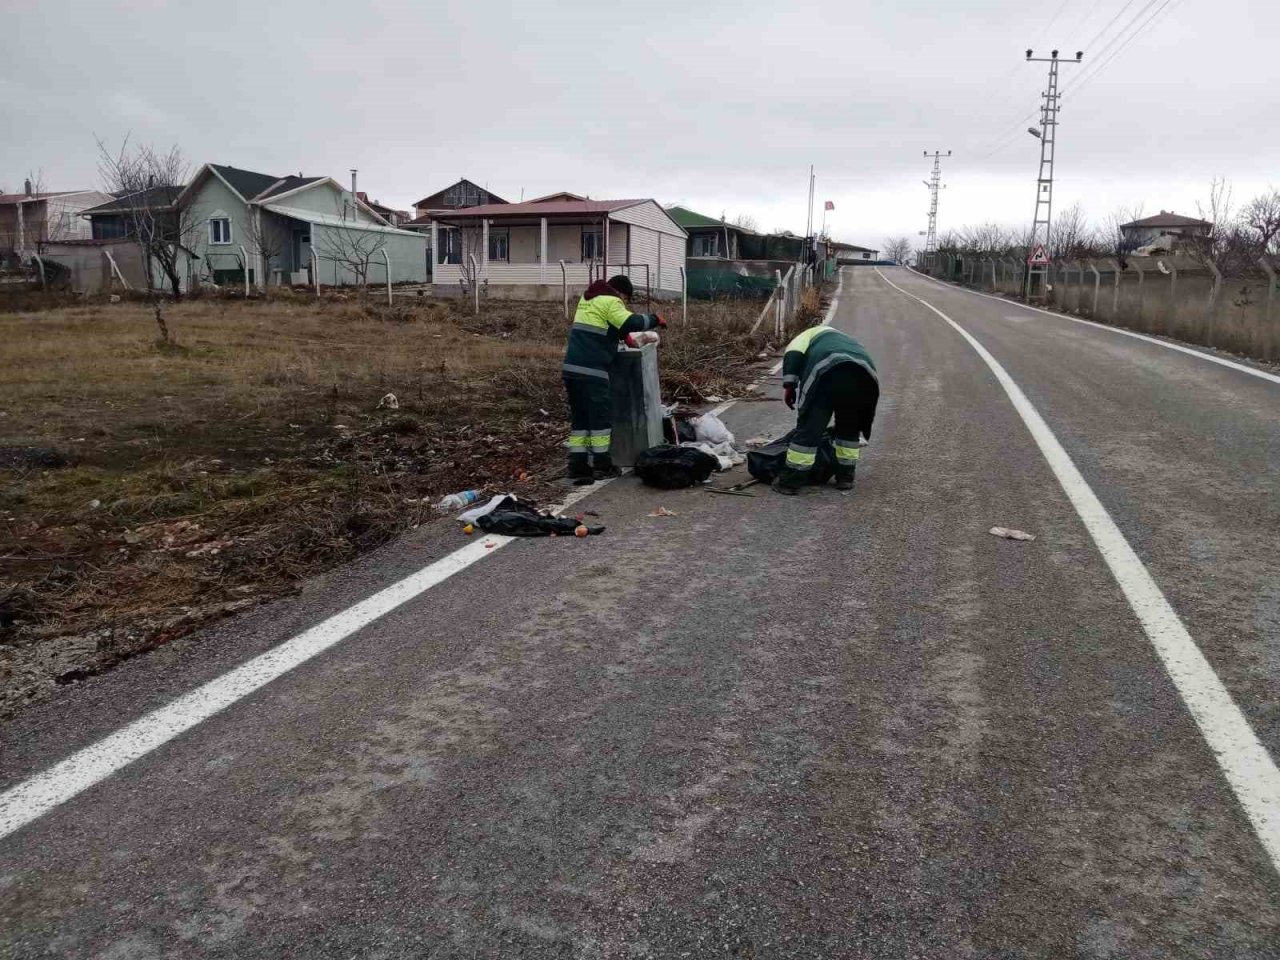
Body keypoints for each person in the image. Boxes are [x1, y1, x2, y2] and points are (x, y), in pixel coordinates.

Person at [562, 275, 665, 485]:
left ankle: (577, 465)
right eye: (625, 300)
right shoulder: (611, 300)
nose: (624, 304)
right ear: (621, 293)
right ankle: (602, 464)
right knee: (600, 419)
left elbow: (603, 325)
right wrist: (654, 319)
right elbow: (631, 321)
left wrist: (621, 336)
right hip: (593, 370)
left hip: (572, 369)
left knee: (580, 419)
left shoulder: (588, 299)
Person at [774, 325, 879, 495]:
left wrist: (789, 386)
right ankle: (845, 478)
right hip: (864, 374)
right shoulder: (846, 339)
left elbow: (793, 355)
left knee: (810, 427)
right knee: (849, 429)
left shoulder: (805, 335)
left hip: (828, 370)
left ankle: (790, 482)